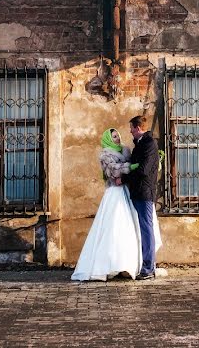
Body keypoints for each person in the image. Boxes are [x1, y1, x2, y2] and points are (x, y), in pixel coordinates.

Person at [71, 129, 142, 282]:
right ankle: (106, 265)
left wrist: (130, 168)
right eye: (114, 136)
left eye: (118, 136)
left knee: (127, 228)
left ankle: (125, 264)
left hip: (126, 191)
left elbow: (126, 170)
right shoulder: (105, 154)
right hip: (114, 193)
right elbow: (113, 171)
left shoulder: (126, 151)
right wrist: (130, 167)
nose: (117, 138)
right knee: (112, 227)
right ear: (108, 139)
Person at [123, 115, 161, 280]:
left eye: (131, 128)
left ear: (138, 128)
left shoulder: (149, 144)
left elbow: (144, 170)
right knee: (143, 228)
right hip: (138, 192)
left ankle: (148, 268)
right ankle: (145, 265)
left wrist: (124, 176)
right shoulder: (140, 144)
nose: (130, 131)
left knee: (147, 229)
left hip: (144, 192)